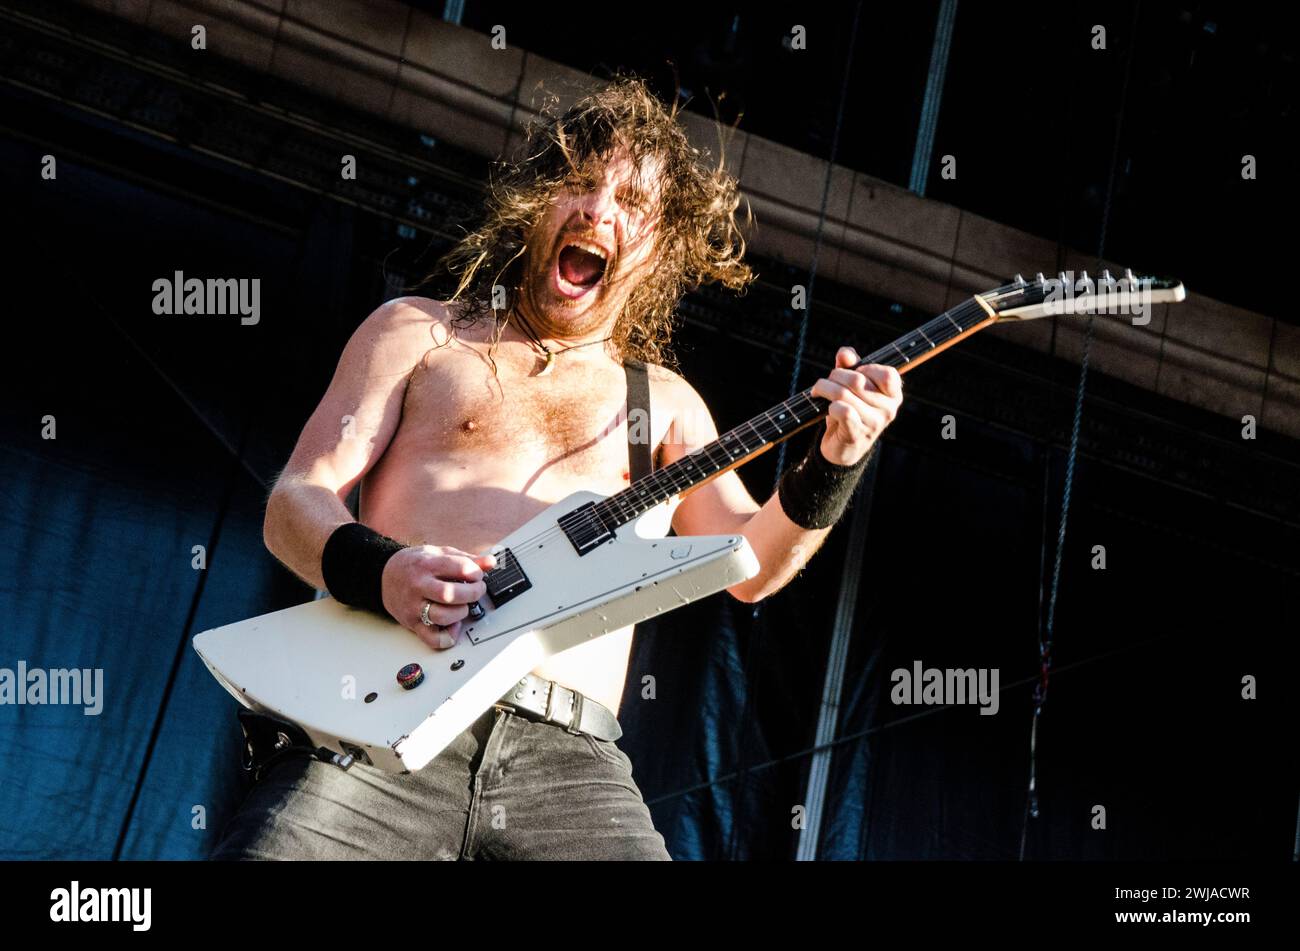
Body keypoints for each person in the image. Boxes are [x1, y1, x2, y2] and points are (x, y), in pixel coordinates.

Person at [210, 76, 902, 860]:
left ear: (659, 248)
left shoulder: (666, 403)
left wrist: (836, 462)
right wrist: (385, 570)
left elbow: (750, 564)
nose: (598, 209)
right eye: (578, 180)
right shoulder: (419, 334)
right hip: (382, 711)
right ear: (536, 201)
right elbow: (296, 501)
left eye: (631, 203)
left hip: (568, 763)